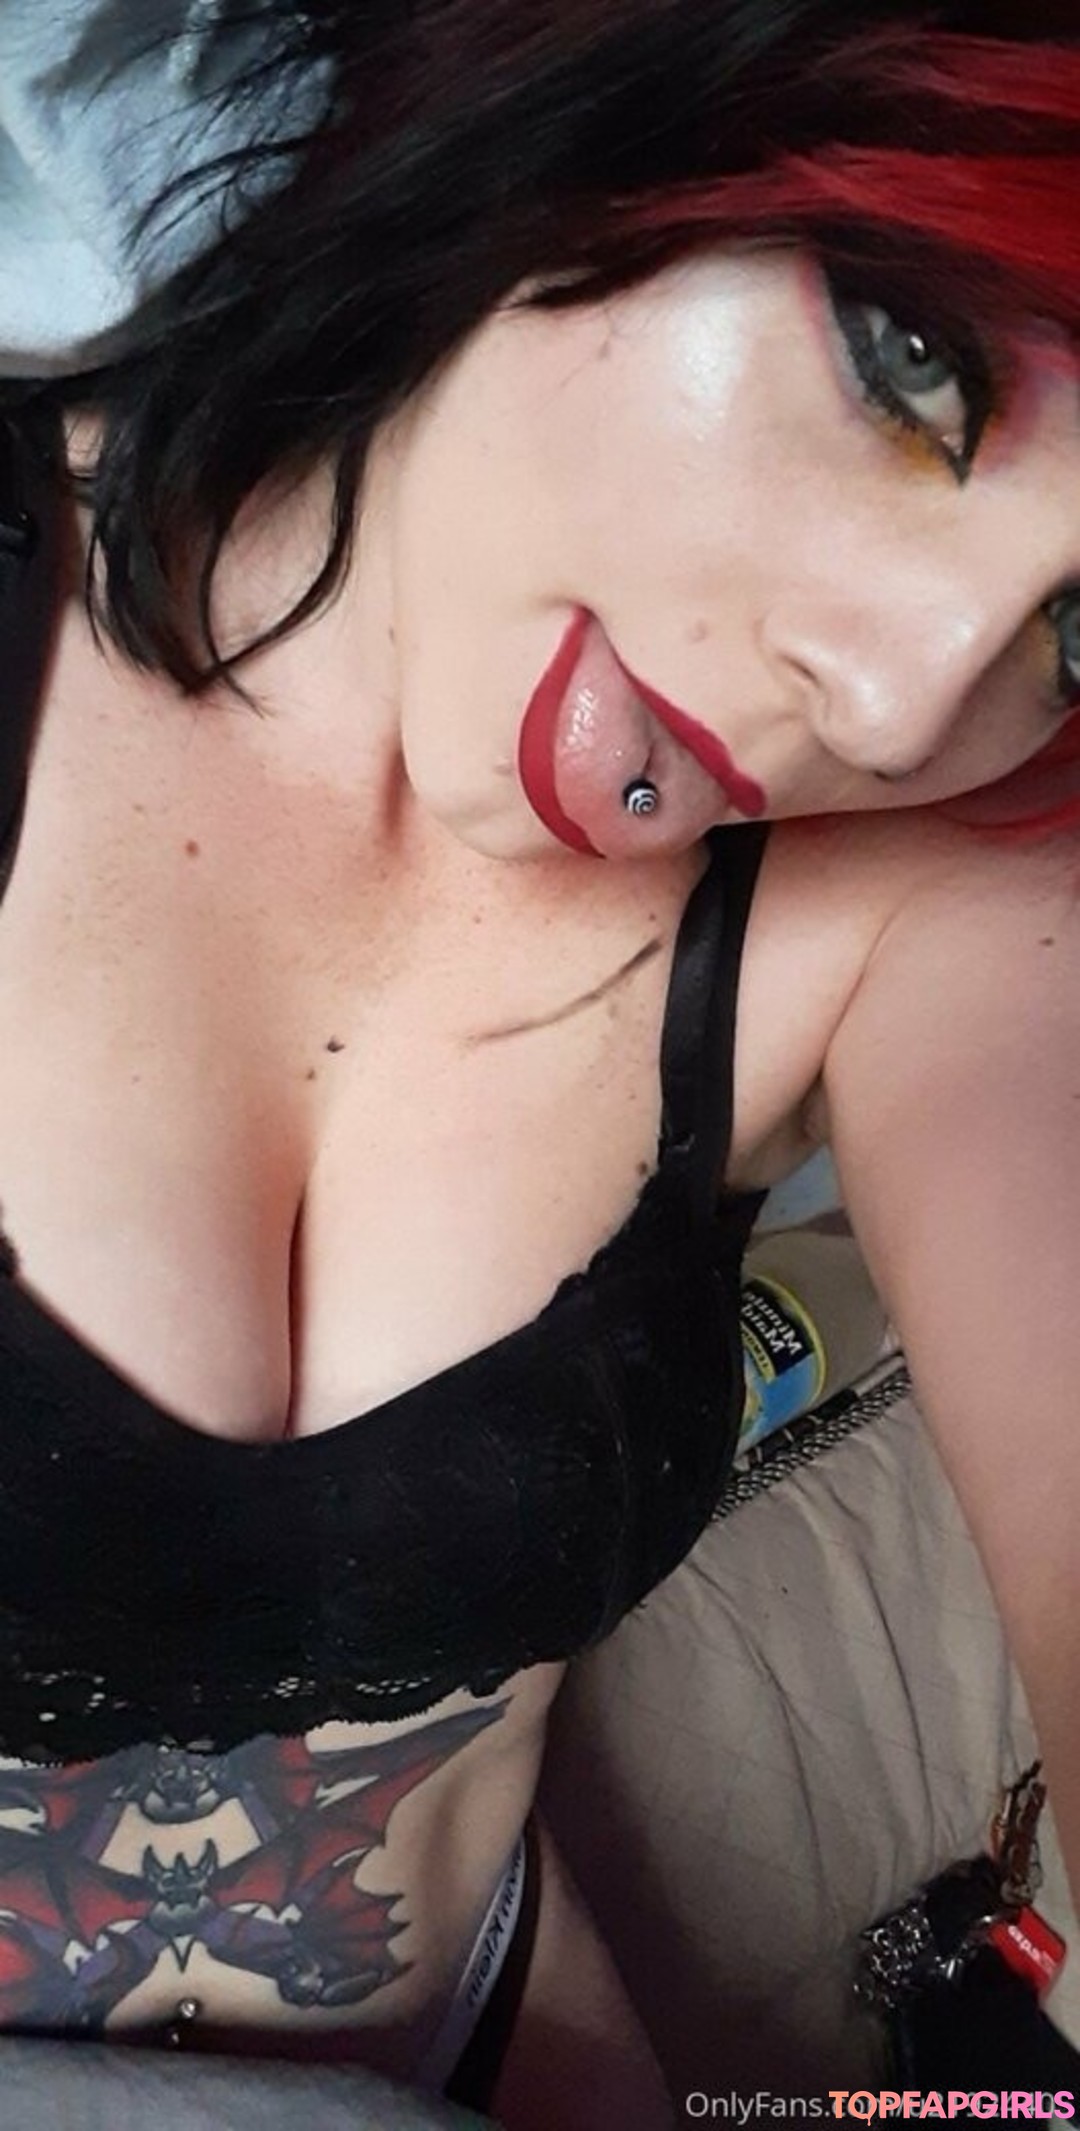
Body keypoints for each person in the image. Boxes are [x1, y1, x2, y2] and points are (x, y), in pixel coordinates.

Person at [0, 2, 1079, 2124]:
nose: (896, 701)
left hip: (500, 2049)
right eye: (910, 359)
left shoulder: (913, 889)